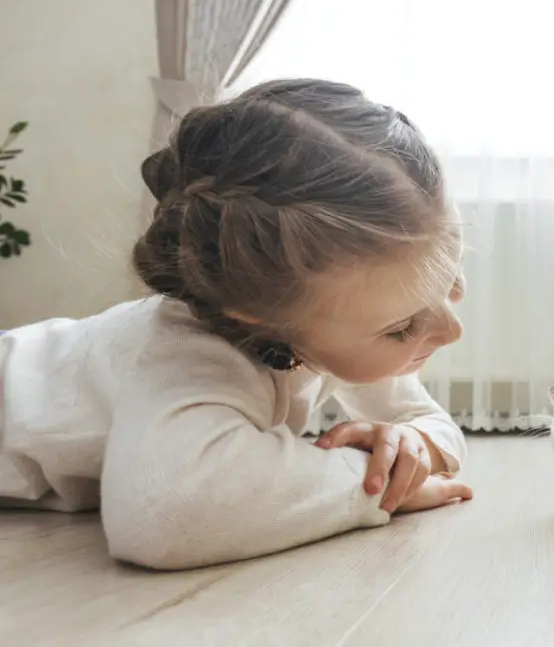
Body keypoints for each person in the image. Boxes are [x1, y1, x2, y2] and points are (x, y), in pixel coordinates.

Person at [0, 79, 472, 570]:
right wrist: (372, 487)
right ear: (263, 318)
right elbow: (163, 514)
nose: (450, 328)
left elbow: (428, 421)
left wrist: (417, 450)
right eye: (401, 328)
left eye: (453, 280)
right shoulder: (192, 350)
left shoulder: (322, 318)